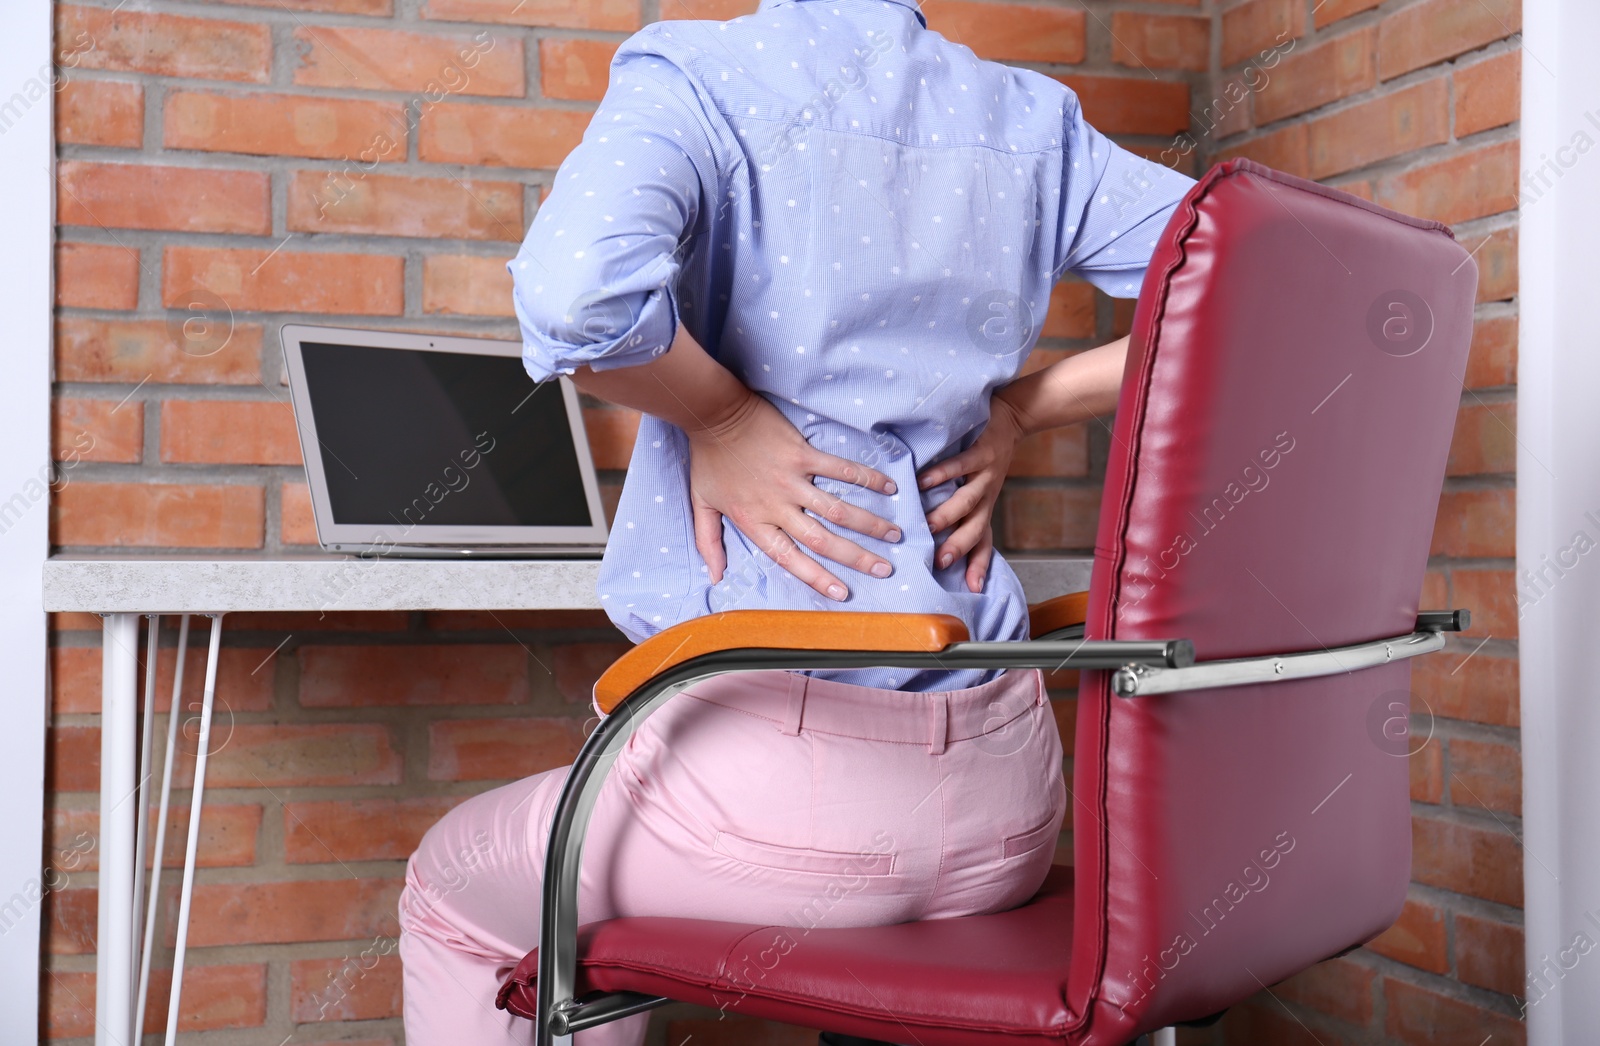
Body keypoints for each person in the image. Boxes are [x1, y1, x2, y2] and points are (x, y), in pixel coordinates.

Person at [398, 0, 1194, 1041]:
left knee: (459, 890)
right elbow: (1245, 289)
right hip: (1008, 800)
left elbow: (575, 294)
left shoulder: (700, 72)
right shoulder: (1028, 118)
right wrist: (1027, 403)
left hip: (774, 814)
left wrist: (719, 414)